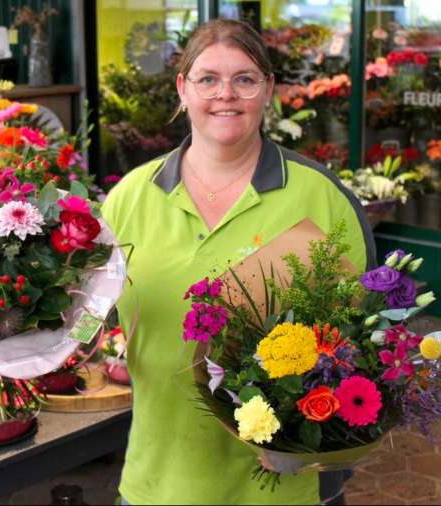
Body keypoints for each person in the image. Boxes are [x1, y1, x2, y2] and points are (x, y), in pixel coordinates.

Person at [100, 19, 373, 505]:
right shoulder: (129, 199)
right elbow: (89, 314)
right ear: (182, 89)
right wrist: (54, 344)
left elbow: (361, 338)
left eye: (245, 79)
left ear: (268, 90)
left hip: (283, 488)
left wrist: (320, 434)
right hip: (158, 482)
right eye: (208, 79)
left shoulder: (322, 198)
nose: (225, 94)